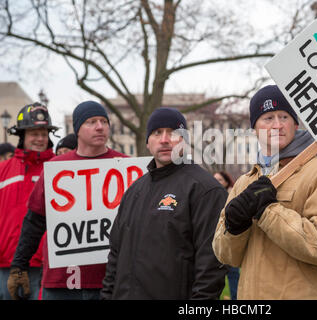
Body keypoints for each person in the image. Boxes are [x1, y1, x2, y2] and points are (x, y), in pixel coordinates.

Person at [212, 85, 317, 299]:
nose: (277, 125)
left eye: (284, 117)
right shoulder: (245, 183)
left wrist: (267, 212)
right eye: (268, 118)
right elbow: (226, 256)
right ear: (255, 128)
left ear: (296, 124)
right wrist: (234, 226)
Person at [102, 107, 228, 299]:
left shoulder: (204, 190)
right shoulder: (134, 191)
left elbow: (211, 266)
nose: (164, 139)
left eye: (173, 133)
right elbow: (115, 256)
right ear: (148, 143)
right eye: (157, 132)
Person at [7, 101, 127, 300]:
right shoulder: (56, 167)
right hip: (61, 281)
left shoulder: (126, 166)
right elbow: (35, 221)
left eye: (104, 121)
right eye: (91, 122)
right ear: (77, 129)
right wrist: (19, 266)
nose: (100, 127)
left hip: (110, 281)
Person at [0, 103, 58, 300]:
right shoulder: (3, 170)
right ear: (22, 135)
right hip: (5, 266)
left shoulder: (59, 169)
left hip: (46, 266)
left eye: (44, 133)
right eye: (34, 133)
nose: (40, 139)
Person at [213, 171, 240, 301]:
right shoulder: (210, 196)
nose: (217, 182)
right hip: (214, 242)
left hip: (230, 240)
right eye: (215, 179)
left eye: (219, 180)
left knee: (233, 274)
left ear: (226, 181)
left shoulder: (233, 195)